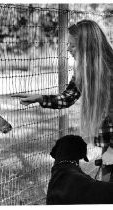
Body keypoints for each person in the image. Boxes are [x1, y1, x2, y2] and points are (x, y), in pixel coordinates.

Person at [12, 19, 113, 181]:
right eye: (68, 45)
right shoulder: (84, 71)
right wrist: (40, 98)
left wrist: (112, 150)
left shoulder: (110, 72)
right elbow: (68, 98)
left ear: (88, 47)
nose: (68, 49)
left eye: (73, 46)